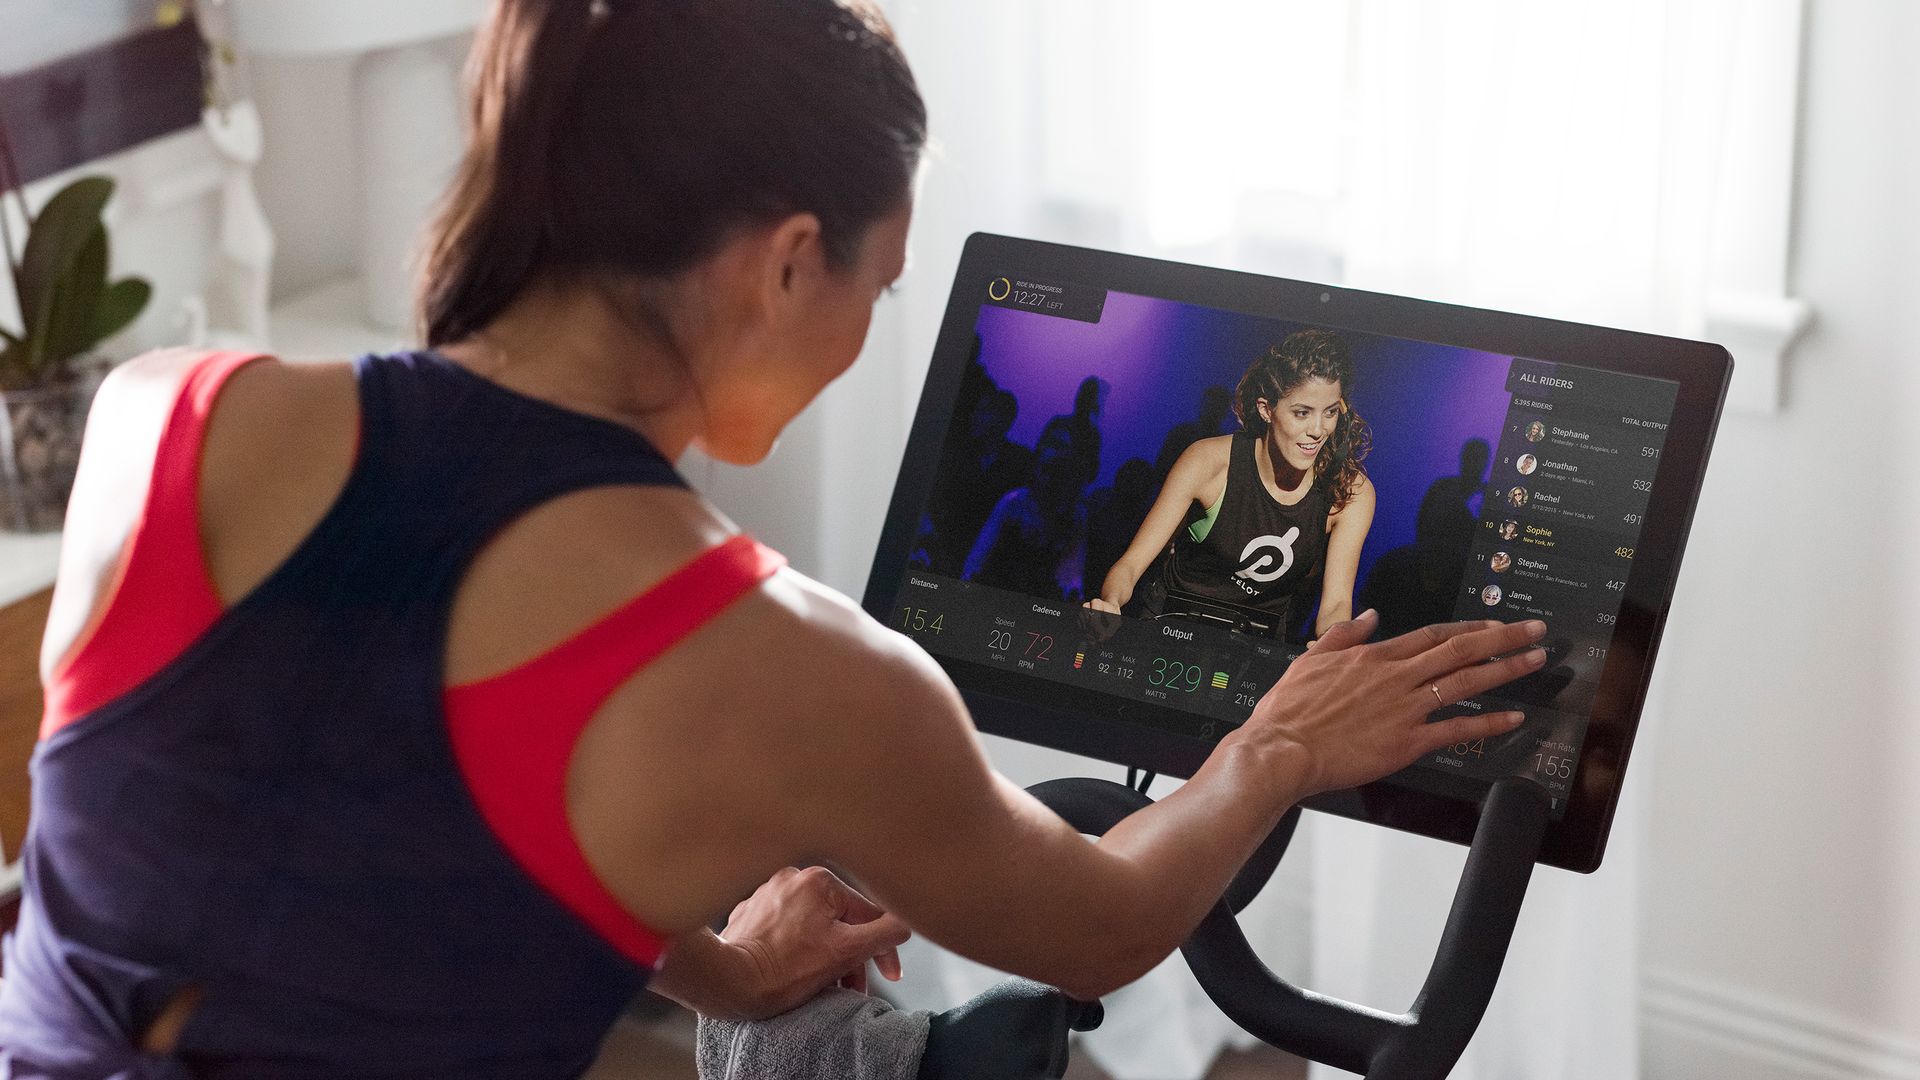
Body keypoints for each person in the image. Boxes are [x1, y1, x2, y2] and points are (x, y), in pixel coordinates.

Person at [0, 1, 1549, 1075]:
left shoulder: (166, 415)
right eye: (882, 289)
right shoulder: (783, 666)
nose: (872, 336)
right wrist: (1272, 752)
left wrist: (726, 970)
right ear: (788, 262)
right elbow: (1103, 924)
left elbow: (381, 832)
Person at [1087, 330, 1379, 642]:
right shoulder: (1208, 461)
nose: (1318, 430)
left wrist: (1332, 645)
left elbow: (1335, 604)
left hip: (1256, 647)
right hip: (1168, 627)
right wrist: (1110, 604)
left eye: (1330, 412)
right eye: (1302, 413)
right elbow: (1131, 565)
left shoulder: (1350, 493)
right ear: (1267, 410)